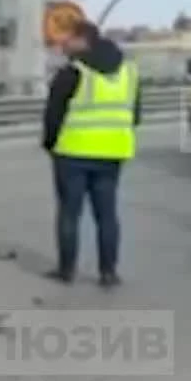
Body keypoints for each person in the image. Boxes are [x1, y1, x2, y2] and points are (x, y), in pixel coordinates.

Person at [40, 19, 139, 287]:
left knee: (70, 213)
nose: (62, 44)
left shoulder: (73, 72)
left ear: (84, 40)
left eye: (68, 39)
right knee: (107, 214)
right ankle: (108, 273)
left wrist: (50, 144)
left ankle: (66, 270)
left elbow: (53, 115)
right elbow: (135, 114)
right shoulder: (129, 71)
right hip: (113, 152)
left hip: (73, 152)